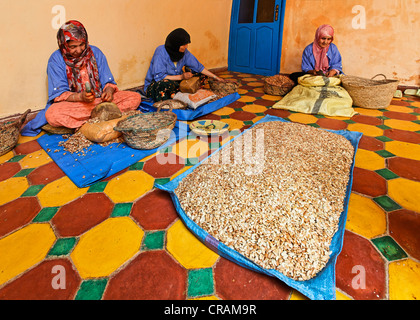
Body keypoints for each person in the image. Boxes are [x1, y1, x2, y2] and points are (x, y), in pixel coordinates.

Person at [21, 20, 141, 136]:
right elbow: (60, 94)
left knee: (134, 97)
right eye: (73, 47)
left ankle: (87, 121)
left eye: (82, 45)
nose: (78, 50)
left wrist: (108, 92)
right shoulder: (56, 60)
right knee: (52, 114)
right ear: (64, 44)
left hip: (100, 101)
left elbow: (108, 82)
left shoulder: (96, 53)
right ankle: (102, 116)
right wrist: (80, 97)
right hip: (77, 105)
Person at [144, 28, 225, 102]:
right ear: (175, 44)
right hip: (157, 85)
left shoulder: (184, 52)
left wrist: (216, 77)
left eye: (187, 44)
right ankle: (176, 94)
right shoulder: (160, 52)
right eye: (184, 45)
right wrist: (181, 77)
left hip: (177, 82)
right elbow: (159, 77)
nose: (186, 47)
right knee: (164, 85)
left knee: (201, 75)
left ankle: (177, 93)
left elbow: (198, 67)